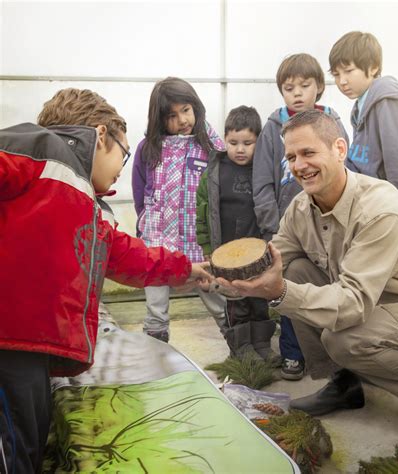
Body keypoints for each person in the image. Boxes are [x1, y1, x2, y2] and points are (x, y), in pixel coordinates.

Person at [217, 109, 398, 438]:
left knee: (344, 338)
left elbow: (352, 303)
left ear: (339, 149)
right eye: (291, 157)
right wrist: (223, 277)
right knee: (295, 269)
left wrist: (279, 293)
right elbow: (272, 260)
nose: (298, 165)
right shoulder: (301, 206)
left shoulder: (381, 209)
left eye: (309, 153)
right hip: (377, 304)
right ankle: (345, 384)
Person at [0, 88, 212, 473]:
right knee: (13, 450)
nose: (122, 168)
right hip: (8, 341)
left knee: (30, 443)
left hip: (30, 345)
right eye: (123, 152)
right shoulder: (40, 152)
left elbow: (126, 255)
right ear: (101, 135)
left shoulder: (85, 201)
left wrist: (186, 269)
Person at [253, 53, 349, 381]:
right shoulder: (272, 127)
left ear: (319, 88)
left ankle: (338, 357)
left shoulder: (332, 121)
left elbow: (346, 171)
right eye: (288, 87)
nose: (297, 93)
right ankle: (293, 353)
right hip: (287, 227)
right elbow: (262, 181)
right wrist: (271, 223)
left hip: (327, 226)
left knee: (328, 288)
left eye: (304, 85)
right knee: (287, 285)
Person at [132, 77, 227, 343]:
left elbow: (220, 189)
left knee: (216, 298)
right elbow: (140, 194)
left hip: (197, 241)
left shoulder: (210, 146)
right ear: (160, 119)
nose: (182, 119)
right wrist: (146, 224)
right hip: (158, 243)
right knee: (155, 305)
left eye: (186, 110)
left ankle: (239, 347)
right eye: (172, 115)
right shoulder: (148, 149)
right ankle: (155, 347)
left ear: (196, 107)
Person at [196, 105, 280, 365]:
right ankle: (242, 348)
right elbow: (202, 213)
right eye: (233, 142)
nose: (240, 149)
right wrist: (208, 246)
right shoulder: (214, 173)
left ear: (259, 142)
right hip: (226, 253)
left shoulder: (263, 171)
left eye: (247, 143)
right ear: (224, 139)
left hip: (257, 253)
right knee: (236, 302)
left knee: (259, 300)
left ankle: (263, 346)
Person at [329, 31, 398, 199]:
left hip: (384, 205)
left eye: (348, 71)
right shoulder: (362, 103)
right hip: (366, 200)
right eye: (336, 75)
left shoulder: (388, 101)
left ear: (373, 68)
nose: (342, 81)